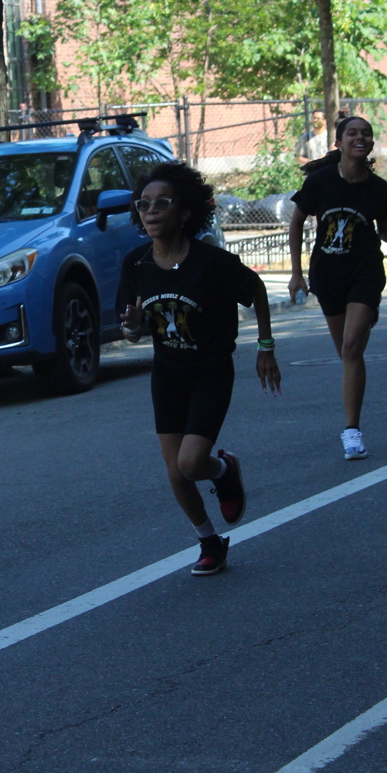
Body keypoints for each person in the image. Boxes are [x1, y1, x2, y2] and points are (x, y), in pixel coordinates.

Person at [117, 161, 281, 577]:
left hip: (210, 371)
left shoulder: (211, 262)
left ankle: (224, 470)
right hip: (168, 375)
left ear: (185, 211)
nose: (151, 211)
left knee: (192, 464)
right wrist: (132, 328)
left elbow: (256, 289)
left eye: (162, 203)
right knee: (175, 471)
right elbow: (133, 332)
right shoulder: (136, 264)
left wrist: (265, 347)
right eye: (144, 204)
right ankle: (209, 541)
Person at [288, 115, 387, 462]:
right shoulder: (319, 182)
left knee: (351, 347)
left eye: (366, 133)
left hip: (365, 272)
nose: (360, 138)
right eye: (352, 133)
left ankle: (351, 431)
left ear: (371, 142)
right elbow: (296, 223)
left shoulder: (379, 188)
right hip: (327, 275)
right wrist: (296, 274)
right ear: (339, 142)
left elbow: (386, 231)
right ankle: (363, 319)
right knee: (347, 354)